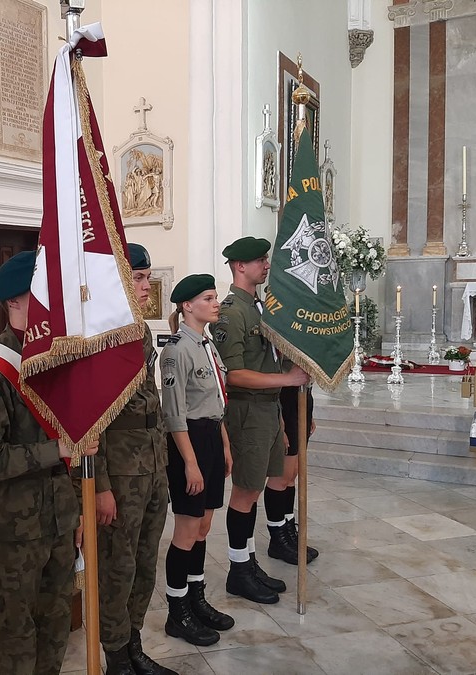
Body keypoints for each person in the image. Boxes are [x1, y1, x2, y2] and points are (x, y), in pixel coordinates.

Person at [0, 250, 98, 675]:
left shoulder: (53, 361)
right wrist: (56, 449)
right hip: (11, 535)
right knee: (15, 647)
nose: (52, 306)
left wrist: (76, 510)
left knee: (54, 634)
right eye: (42, 296)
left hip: (57, 524)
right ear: (13, 302)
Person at [212, 237, 309, 606]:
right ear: (240, 266)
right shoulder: (231, 312)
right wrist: (287, 379)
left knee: (255, 492)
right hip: (247, 411)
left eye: (266, 259)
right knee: (245, 491)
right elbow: (233, 375)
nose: (266, 265)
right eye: (259, 261)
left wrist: (280, 419)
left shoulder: (258, 307)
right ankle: (239, 571)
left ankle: (249, 563)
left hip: (268, 409)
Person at [93, 244, 175, 675]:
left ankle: (134, 644)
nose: (147, 286)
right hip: (121, 474)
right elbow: (92, 419)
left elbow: (150, 403)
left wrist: (163, 466)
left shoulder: (138, 329)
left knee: (145, 563)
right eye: (139, 277)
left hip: (151, 466)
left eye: (147, 277)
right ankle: (116, 657)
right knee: (117, 568)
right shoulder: (98, 334)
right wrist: (101, 485)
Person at [159, 274, 235, 648]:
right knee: (187, 530)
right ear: (187, 306)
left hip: (210, 437)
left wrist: (224, 446)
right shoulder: (177, 350)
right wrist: (190, 463)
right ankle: (178, 612)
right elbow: (174, 414)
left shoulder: (207, 344)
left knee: (203, 527)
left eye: (215, 296)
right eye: (208, 298)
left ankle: (196, 598)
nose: (216, 303)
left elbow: (216, 402)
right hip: (187, 442)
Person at [271, 381, 320, 565]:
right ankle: (278, 538)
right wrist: (280, 423)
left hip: (302, 398)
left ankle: (288, 530)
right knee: (282, 476)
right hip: (285, 401)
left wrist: (308, 414)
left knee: (292, 475)